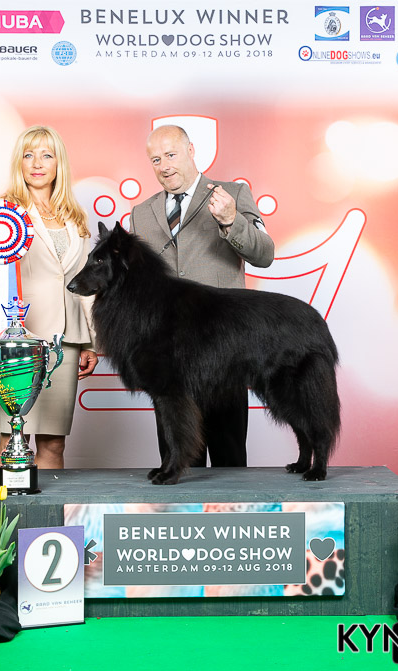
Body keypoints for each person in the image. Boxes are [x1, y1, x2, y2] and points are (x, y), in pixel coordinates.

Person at [129, 124, 274, 468]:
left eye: (171, 155)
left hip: (223, 347)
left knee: (229, 458)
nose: (164, 166)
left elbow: (264, 253)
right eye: (155, 159)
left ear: (191, 151)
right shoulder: (141, 214)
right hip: (168, 355)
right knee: (177, 460)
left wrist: (231, 221)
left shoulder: (233, 194)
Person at [0, 125, 97, 470]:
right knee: (13, 438)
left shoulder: (76, 217)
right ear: (19, 163)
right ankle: (7, 506)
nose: (37, 163)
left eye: (46, 155)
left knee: (53, 442)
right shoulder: (3, 213)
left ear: (59, 163)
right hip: (19, 342)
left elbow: (86, 284)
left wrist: (91, 342)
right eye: (29, 155)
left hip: (66, 341)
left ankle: (48, 509)